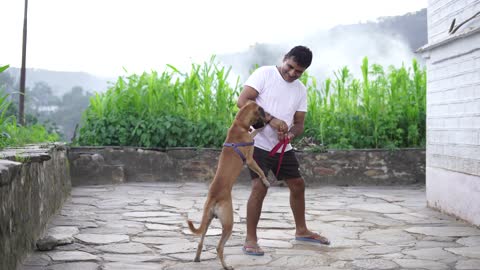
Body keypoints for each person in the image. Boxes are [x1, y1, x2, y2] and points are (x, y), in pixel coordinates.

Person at [237, 45, 330, 256]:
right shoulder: (265, 74)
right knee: (260, 187)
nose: (292, 73)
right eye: (290, 67)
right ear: (284, 58)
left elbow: (299, 124)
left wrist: (289, 135)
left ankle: (302, 230)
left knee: (298, 185)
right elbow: (242, 101)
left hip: (281, 146)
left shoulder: (300, 90)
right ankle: (250, 239)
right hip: (256, 142)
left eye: (298, 71)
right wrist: (270, 120)